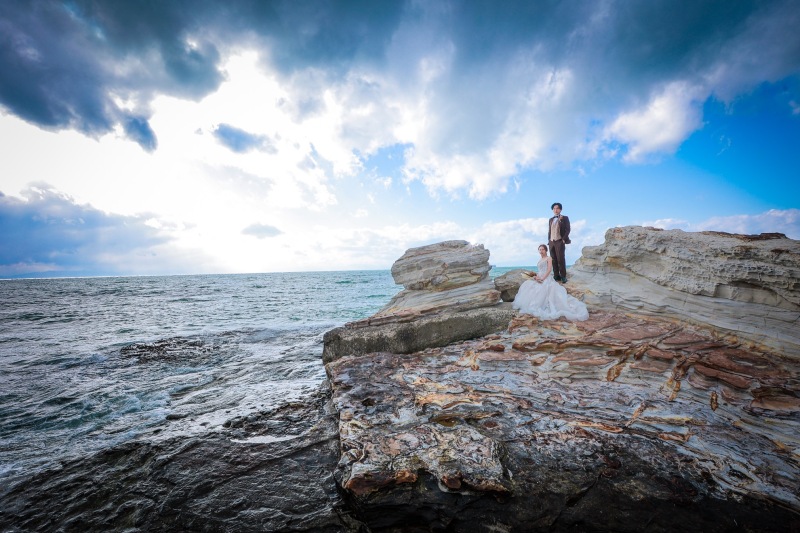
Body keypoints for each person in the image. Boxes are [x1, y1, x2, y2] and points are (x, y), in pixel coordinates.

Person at [512, 244, 589, 321]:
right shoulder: (540, 259)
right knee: (527, 285)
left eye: (542, 249)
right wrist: (536, 277)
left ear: (546, 250)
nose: (541, 251)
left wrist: (542, 279)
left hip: (546, 278)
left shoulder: (549, 258)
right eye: (540, 250)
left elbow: (549, 270)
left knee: (542, 289)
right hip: (540, 277)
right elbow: (540, 271)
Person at [547, 202, 570, 283]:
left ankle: (563, 276)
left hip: (560, 240)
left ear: (560, 209)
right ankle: (556, 275)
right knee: (553, 259)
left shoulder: (565, 218)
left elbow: (568, 230)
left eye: (557, 208)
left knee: (561, 259)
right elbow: (550, 231)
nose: (555, 210)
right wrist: (548, 241)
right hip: (551, 242)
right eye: (554, 208)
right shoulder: (551, 219)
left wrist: (563, 239)